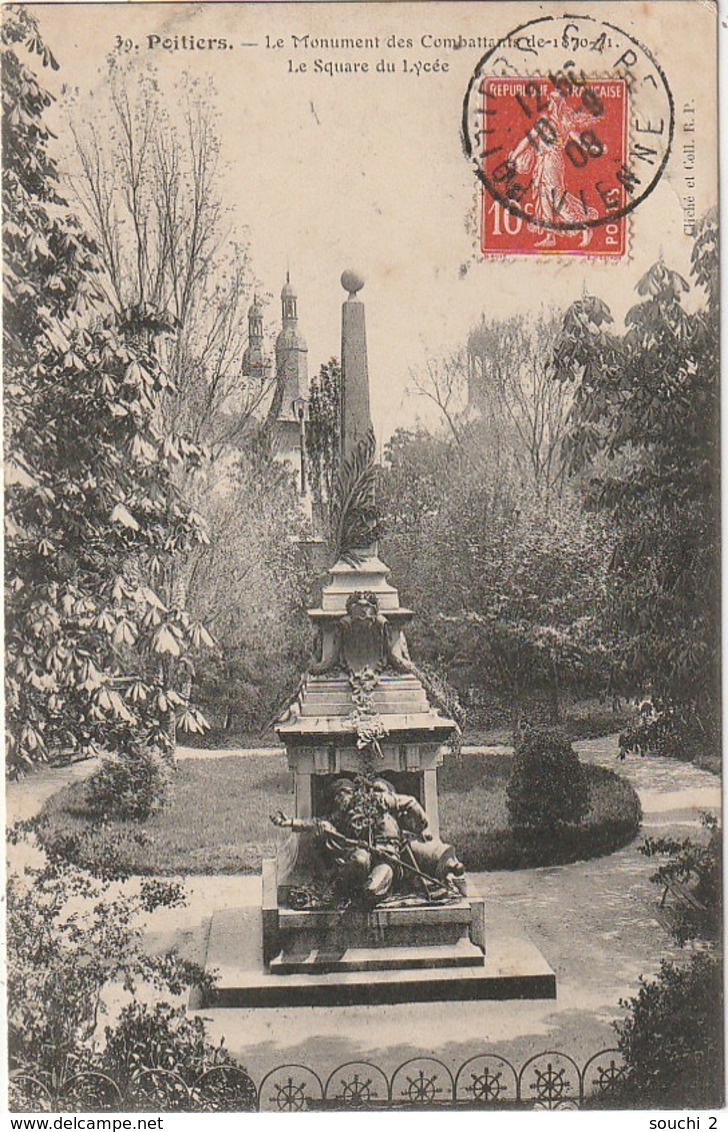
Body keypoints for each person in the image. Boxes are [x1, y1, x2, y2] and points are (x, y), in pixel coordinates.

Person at [270, 776, 467, 906]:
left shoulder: (381, 801)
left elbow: (411, 803)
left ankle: (363, 891)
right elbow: (318, 822)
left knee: (372, 891)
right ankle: (338, 888)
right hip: (365, 855)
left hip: (387, 859)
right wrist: (290, 822)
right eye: (337, 797)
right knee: (359, 860)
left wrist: (424, 827)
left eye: (342, 794)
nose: (339, 799)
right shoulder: (345, 813)